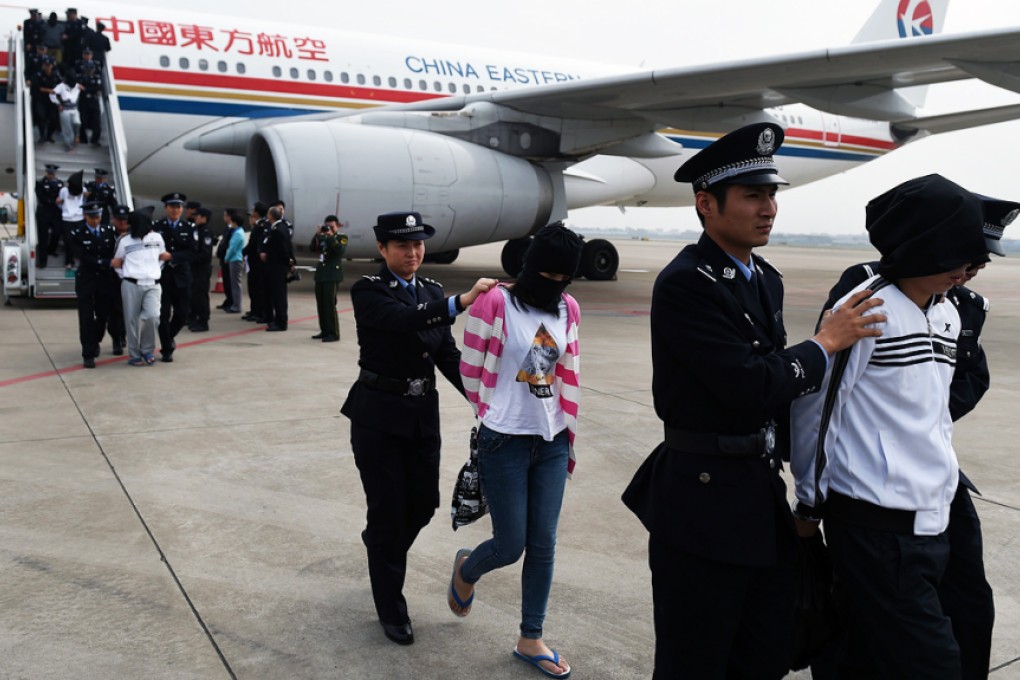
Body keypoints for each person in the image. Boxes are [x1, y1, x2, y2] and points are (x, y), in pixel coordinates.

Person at [619, 123, 885, 680]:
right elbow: (750, 383)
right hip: (701, 497)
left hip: (757, 494)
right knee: (695, 659)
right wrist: (825, 344)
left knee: (763, 655)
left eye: (771, 195)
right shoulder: (687, 283)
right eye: (752, 195)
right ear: (705, 204)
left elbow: (778, 390)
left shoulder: (763, 278)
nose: (768, 209)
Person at [789, 174, 990, 679]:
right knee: (935, 664)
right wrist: (809, 502)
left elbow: (936, 415)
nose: (969, 269)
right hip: (876, 526)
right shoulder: (865, 309)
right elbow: (817, 411)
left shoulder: (945, 314)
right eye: (959, 254)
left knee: (867, 657)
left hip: (933, 521)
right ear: (927, 244)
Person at [340, 211, 496, 646]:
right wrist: (460, 302)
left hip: (422, 413)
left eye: (418, 244)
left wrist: (483, 399)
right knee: (389, 512)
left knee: (423, 504)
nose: (412, 253)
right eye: (402, 246)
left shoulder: (428, 289)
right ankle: (391, 605)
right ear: (383, 249)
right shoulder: (368, 291)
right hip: (378, 417)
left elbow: (445, 352)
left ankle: (380, 551)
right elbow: (402, 321)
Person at [449, 223, 583, 679]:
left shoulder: (568, 309)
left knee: (543, 544)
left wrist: (558, 424)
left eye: (564, 279)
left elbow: (560, 367)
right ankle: (468, 568)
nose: (556, 286)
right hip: (503, 437)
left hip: (551, 439)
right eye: (548, 276)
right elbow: (469, 366)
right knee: (511, 545)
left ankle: (531, 637)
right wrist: (493, 410)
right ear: (529, 267)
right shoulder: (495, 301)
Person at [111, 210, 171, 366]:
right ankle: (134, 354)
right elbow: (117, 261)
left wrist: (154, 271)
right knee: (131, 320)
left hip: (153, 284)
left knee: (153, 316)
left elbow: (162, 256)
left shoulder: (157, 238)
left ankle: (147, 349)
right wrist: (124, 275)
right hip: (131, 284)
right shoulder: (124, 241)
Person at [153, 192, 199, 362]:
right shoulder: (157, 227)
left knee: (182, 313)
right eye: (172, 207)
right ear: (166, 208)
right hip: (163, 276)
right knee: (163, 314)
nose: (176, 210)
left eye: (179, 207)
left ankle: (168, 336)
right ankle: (167, 348)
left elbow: (192, 252)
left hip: (182, 276)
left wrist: (172, 256)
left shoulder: (189, 228)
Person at [70, 201, 117, 368]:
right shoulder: (78, 233)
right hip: (87, 281)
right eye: (92, 217)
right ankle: (88, 353)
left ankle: (95, 340)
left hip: (104, 282)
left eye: (97, 216)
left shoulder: (108, 232)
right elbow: (83, 258)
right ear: (85, 216)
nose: (95, 220)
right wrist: (108, 262)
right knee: (86, 318)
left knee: (103, 316)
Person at [311, 215, 347, 342]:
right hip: (321, 274)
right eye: (327, 226)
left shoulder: (341, 237)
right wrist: (317, 235)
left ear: (338, 226)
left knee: (330, 304)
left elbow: (339, 251)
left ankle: (334, 333)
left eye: (332, 226)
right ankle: (325, 330)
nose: (329, 229)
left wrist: (331, 236)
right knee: (321, 304)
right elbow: (312, 249)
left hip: (332, 274)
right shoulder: (323, 237)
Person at [259, 205, 292, 331]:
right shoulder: (280, 228)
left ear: (271, 216)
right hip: (276, 267)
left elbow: (284, 250)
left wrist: (288, 263)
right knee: (277, 295)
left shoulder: (278, 230)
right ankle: (278, 320)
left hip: (277, 268)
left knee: (279, 297)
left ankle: (281, 322)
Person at [189, 207, 215, 332]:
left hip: (202, 268)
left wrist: (190, 258)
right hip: (195, 269)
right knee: (195, 295)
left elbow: (205, 253)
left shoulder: (206, 232)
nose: (196, 218)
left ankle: (203, 321)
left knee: (201, 295)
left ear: (204, 218)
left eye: (198, 216)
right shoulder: (197, 230)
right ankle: (195, 317)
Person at [242, 202, 269, 323]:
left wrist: (242, 252)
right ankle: (254, 311)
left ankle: (259, 312)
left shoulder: (261, 226)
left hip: (256, 262)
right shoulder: (259, 225)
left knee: (258, 288)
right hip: (253, 262)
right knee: (253, 288)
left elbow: (254, 245)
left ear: (257, 213)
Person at [34, 164, 63, 268]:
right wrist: (53, 201)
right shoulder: (40, 183)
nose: (51, 175)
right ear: (46, 173)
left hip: (56, 213)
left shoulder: (60, 183)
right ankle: (43, 261)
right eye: (49, 173)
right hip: (44, 212)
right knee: (43, 238)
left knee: (57, 233)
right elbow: (41, 196)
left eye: (52, 173)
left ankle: (51, 250)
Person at [56, 169, 86, 269]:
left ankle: (81, 260)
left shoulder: (83, 190)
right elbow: (59, 202)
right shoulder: (64, 191)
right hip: (67, 219)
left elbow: (87, 197)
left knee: (80, 241)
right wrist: (62, 207)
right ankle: (69, 261)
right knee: (68, 241)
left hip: (79, 218)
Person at [50, 71, 82, 152]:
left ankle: (77, 136)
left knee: (77, 122)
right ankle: (69, 146)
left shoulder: (77, 86)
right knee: (67, 129)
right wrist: (58, 104)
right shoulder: (61, 86)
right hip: (64, 108)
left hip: (74, 108)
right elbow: (52, 93)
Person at [223, 209, 246, 314]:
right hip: (236, 259)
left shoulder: (237, 234)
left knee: (235, 284)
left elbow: (232, 248)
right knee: (236, 283)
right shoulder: (239, 232)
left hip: (235, 260)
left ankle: (236, 305)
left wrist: (226, 258)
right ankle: (236, 304)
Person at [77, 60, 102, 146]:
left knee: (96, 121)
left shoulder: (97, 78)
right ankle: (83, 139)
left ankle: (95, 139)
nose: (89, 71)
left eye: (91, 69)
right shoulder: (80, 77)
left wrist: (86, 89)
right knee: (82, 120)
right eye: (87, 69)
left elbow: (97, 89)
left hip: (93, 101)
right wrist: (89, 90)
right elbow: (79, 88)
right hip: (84, 101)